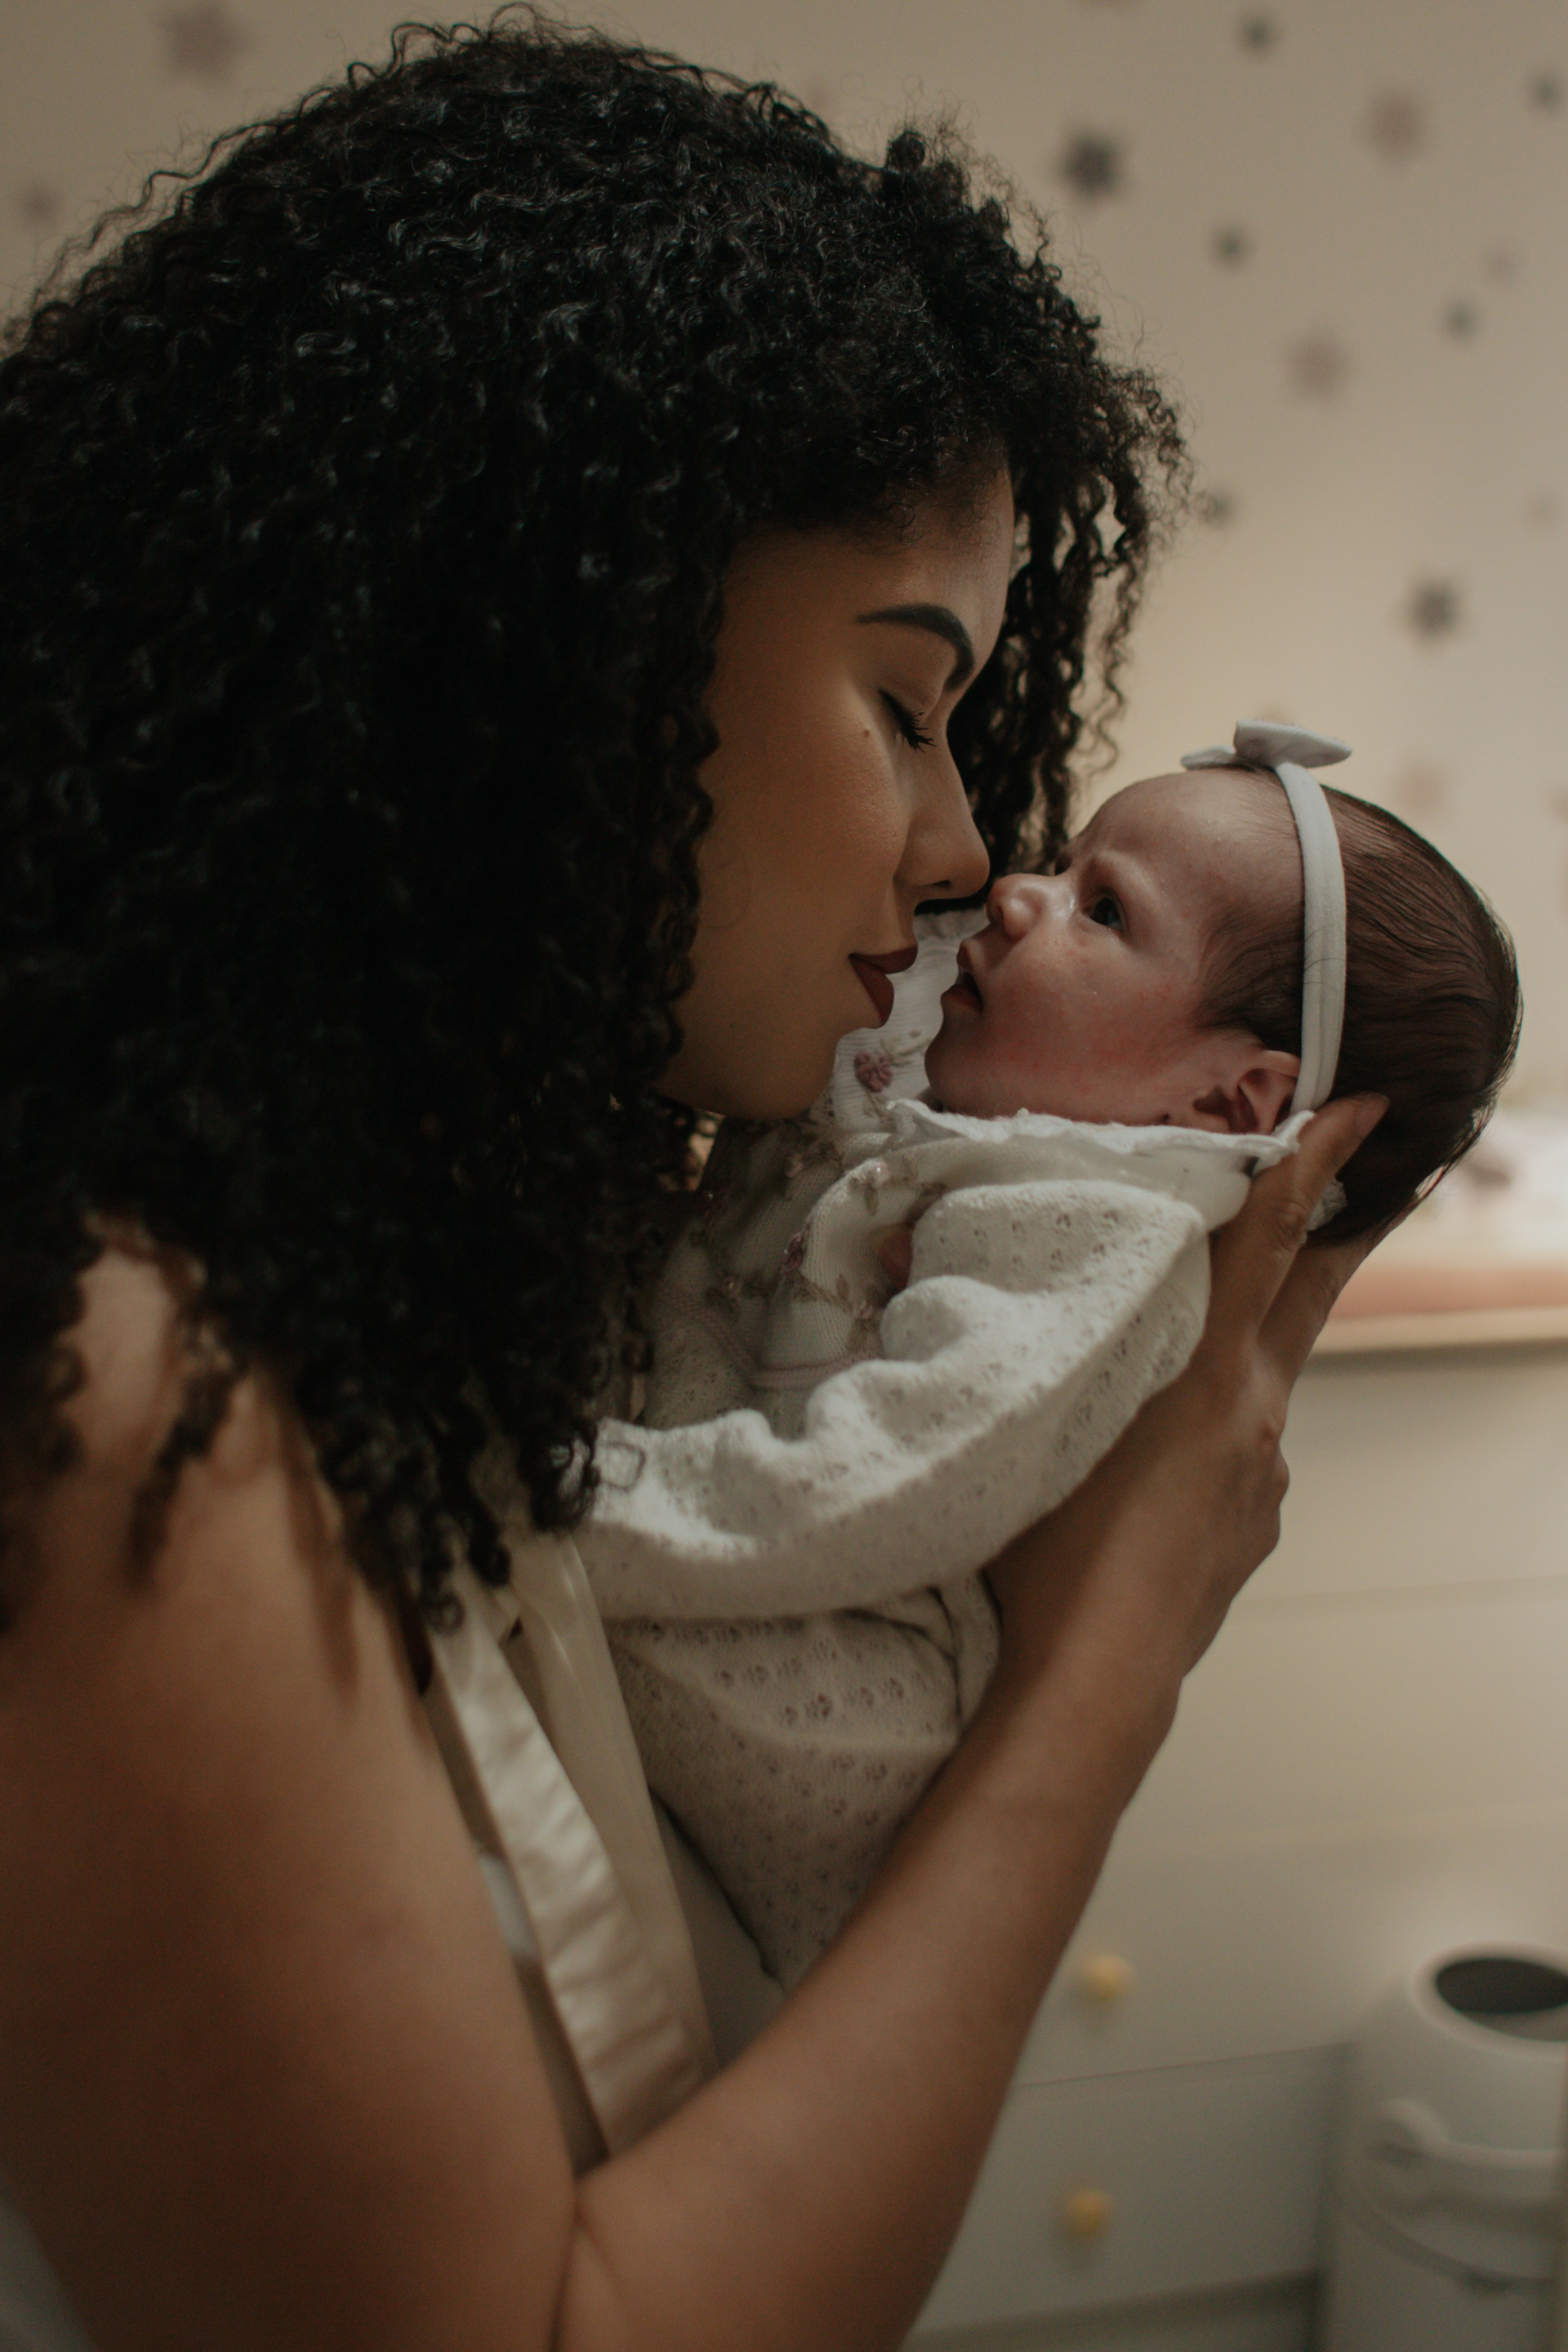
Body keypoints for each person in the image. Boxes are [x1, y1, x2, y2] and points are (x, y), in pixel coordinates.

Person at [0, 16, 1386, 2350]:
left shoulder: (388, 1247)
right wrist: (1110, 1662)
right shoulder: (121, 1386)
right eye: (905, 704)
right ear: (560, 636)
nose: (962, 847)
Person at [586, 726, 1520, 1986]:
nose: (1018, 893)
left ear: (1226, 1104)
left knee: (521, 1587)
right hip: (748, 1544)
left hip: (827, 1708)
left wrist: (580, 1503)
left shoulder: (1095, 1227)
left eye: (1104, 908)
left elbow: (901, 1476)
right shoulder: (989, 1086)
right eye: (1066, 860)